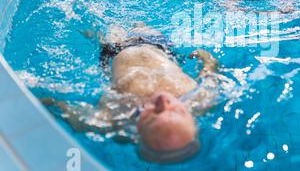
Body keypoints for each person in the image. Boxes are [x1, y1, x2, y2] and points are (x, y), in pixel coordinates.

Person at [43, 23, 222, 163]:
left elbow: (77, 117)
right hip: (159, 47)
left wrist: (52, 104)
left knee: (104, 29)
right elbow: (211, 74)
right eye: (177, 111)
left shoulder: (116, 116)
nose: (162, 102)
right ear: (192, 119)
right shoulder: (201, 100)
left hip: (115, 49)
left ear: (137, 132)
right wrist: (208, 60)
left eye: (154, 115)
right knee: (140, 25)